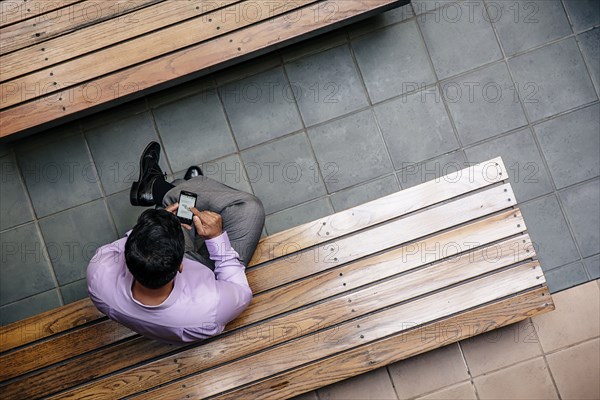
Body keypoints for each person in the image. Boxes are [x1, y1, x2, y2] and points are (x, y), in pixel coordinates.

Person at [86, 142, 265, 345]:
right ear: (181, 264)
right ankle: (161, 187)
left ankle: (166, 188)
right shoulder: (208, 309)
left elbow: (127, 241)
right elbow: (240, 291)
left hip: (178, 286)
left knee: (178, 201)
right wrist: (216, 240)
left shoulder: (98, 273)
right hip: (213, 286)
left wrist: (157, 219)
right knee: (249, 208)